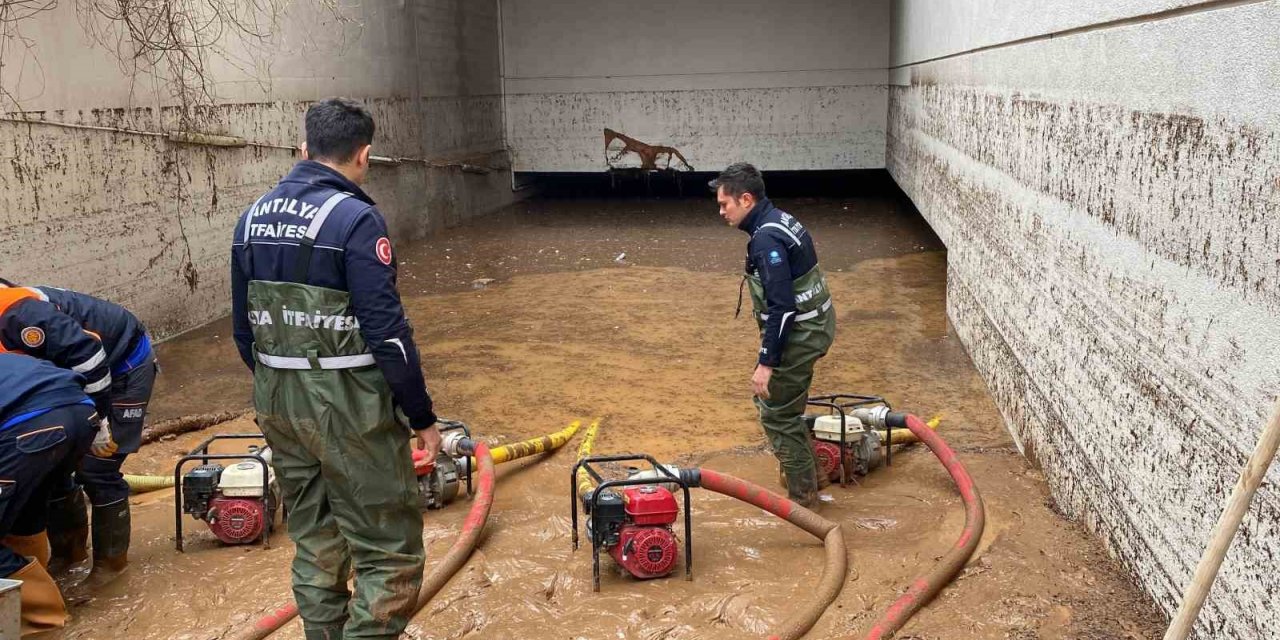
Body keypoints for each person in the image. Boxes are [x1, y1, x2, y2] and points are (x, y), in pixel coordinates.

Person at [230, 97, 440, 640]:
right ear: (364, 155)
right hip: (347, 404)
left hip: (277, 397)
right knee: (388, 551)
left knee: (317, 541)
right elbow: (387, 331)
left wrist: (282, 386)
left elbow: (242, 331)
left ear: (304, 148)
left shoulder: (251, 217)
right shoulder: (355, 218)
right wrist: (421, 416)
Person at [0, 280, 157, 581]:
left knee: (98, 469)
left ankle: (111, 568)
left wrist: (98, 422)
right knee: (52, 467)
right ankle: (69, 556)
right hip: (63, 383)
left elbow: (89, 355)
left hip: (121, 363)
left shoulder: (18, 314)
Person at [711, 163, 836, 507]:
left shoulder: (766, 240)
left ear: (746, 199)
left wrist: (766, 362)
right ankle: (816, 473)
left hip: (802, 334)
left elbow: (782, 308)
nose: (721, 211)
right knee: (784, 405)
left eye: (725, 204)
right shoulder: (780, 219)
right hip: (818, 326)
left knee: (776, 414)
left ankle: (804, 501)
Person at [0, 353, 98, 635]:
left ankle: (43, 624)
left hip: (31, 429)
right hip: (84, 415)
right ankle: (49, 587)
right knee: (26, 513)